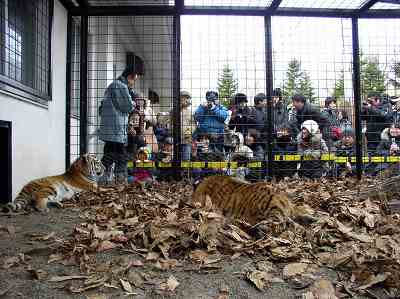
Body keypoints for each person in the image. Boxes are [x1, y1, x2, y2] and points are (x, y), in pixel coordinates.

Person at [99, 60, 144, 185]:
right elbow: (127, 106)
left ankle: (104, 180)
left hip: (111, 127)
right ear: (130, 76)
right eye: (134, 80)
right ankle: (118, 180)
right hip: (116, 127)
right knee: (118, 155)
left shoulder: (113, 85)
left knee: (110, 152)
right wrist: (134, 102)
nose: (133, 83)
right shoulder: (120, 86)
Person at [179, 91, 195, 161]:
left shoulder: (190, 113)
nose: (186, 100)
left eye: (187, 98)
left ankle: (185, 172)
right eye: (184, 98)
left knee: (186, 159)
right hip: (175, 139)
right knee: (176, 159)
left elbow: (193, 125)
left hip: (186, 140)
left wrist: (189, 131)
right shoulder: (174, 110)